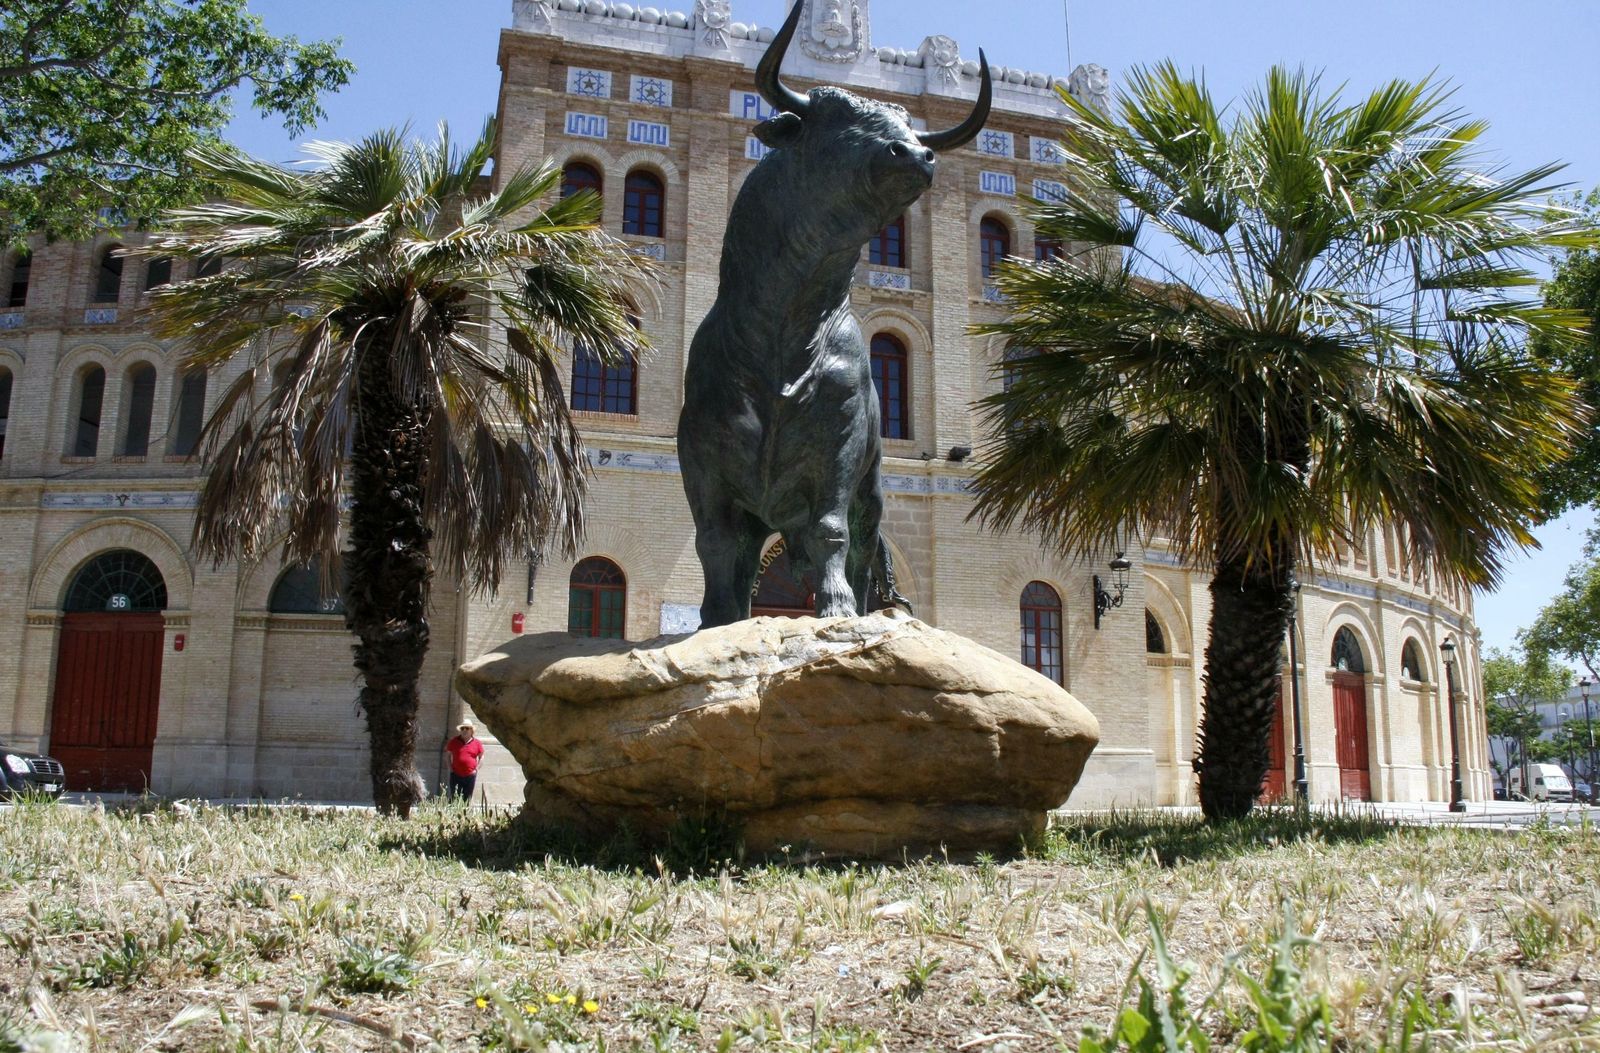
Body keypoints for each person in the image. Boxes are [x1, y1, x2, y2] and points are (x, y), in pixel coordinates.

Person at [443, 722, 484, 802]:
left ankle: (464, 814)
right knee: (455, 798)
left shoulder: (477, 743)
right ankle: (455, 814)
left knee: (467, 799)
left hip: (470, 776)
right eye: (462, 728)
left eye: (467, 728)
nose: (464, 730)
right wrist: (450, 768)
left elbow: (481, 756)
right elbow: (447, 755)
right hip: (456, 775)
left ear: (472, 731)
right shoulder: (454, 741)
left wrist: (476, 769)